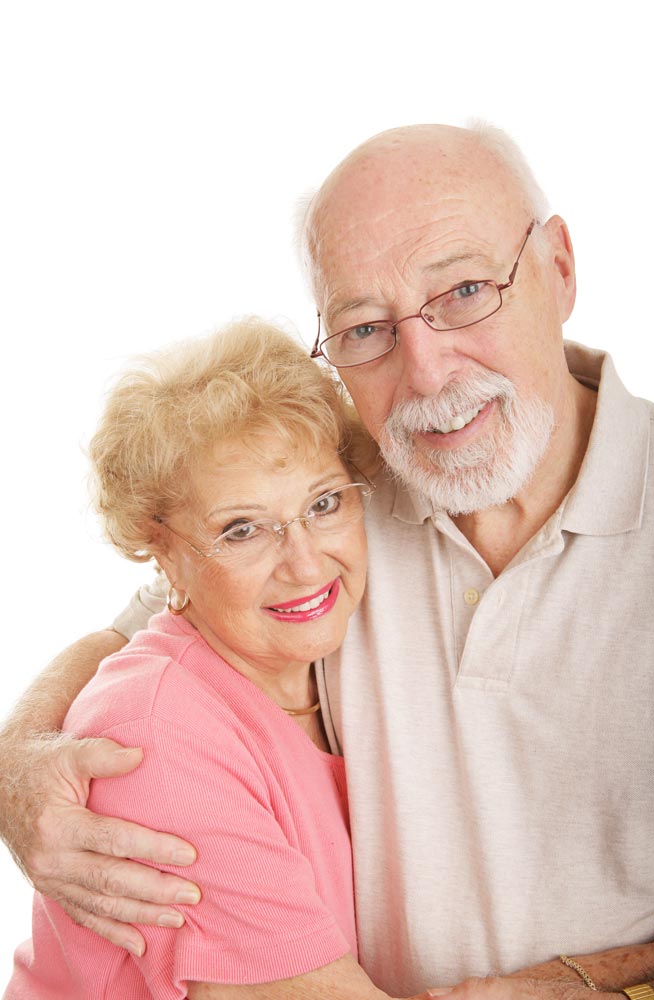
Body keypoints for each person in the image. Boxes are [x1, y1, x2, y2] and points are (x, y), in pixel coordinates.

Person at [1, 123, 654, 1000]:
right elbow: (149, 638)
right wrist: (20, 759)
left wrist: (598, 981)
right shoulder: (344, 488)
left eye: (464, 290)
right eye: (363, 327)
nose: (425, 373)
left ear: (559, 267)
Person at [5, 318, 429, 1000]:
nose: (304, 562)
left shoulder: (329, 675)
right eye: (242, 530)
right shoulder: (155, 737)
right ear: (164, 550)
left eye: (323, 503)